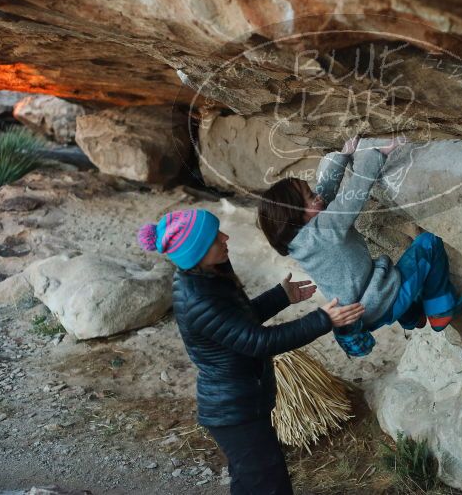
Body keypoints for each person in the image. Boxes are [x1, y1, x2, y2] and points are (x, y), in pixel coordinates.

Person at [137, 209, 364, 494]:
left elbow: (238, 324)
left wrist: (282, 296)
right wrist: (322, 320)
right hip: (233, 412)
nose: (225, 238)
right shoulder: (199, 299)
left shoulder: (209, 277)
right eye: (213, 238)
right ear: (196, 253)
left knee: (251, 482)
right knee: (270, 486)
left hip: (243, 403)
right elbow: (258, 342)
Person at [257, 137, 462, 358]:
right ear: (295, 216)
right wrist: (376, 154)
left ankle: (412, 316)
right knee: (428, 244)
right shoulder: (326, 229)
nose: (318, 195)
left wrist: (341, 157)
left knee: (392, 278)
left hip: (363, 313)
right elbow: (355, 191)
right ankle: (440, 310)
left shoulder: (299, 241)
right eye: (310, 196)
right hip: (380, 299)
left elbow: (325, 193)